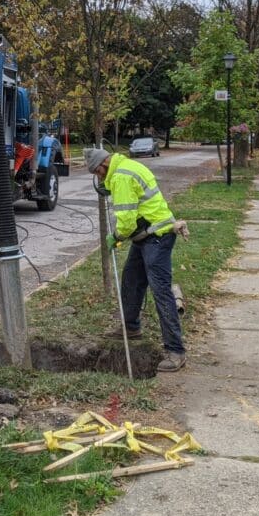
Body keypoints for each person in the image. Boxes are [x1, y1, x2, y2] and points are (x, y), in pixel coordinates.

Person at [85, 147, 191, 372]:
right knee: (131, 280)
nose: (99, 178)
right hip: (146, 236)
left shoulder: (122, 176)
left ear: (103, 165)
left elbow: (126, 222)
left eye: (97, 173)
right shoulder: (126, 166)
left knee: (161, 291)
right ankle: (131, 327)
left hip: (157, 237)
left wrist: (115, 237)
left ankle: (176, 351)